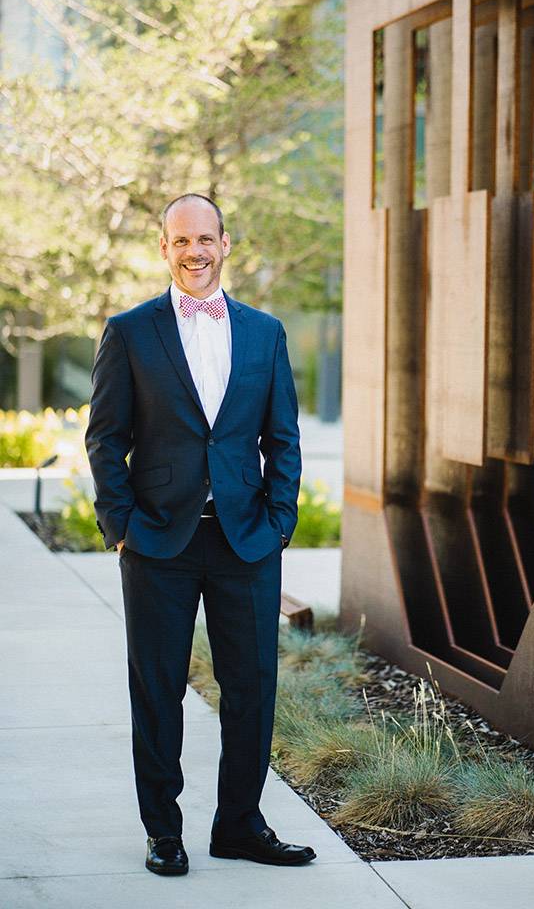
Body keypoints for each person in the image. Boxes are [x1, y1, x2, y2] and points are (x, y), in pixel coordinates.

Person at [85, 192, 315, 876]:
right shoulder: (129, 332)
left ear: (225, 244)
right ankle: (164, 831)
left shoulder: (264, 333)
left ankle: (239, 826)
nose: (195, 252)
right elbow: (105, 439)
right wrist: (120, 525)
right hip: (158, 540)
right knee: (157, 689)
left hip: (245, 539)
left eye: (206, 239)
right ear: (164, 248)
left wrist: (278, 523)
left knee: (252, 687)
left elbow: (284, 439)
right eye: (181, 241)